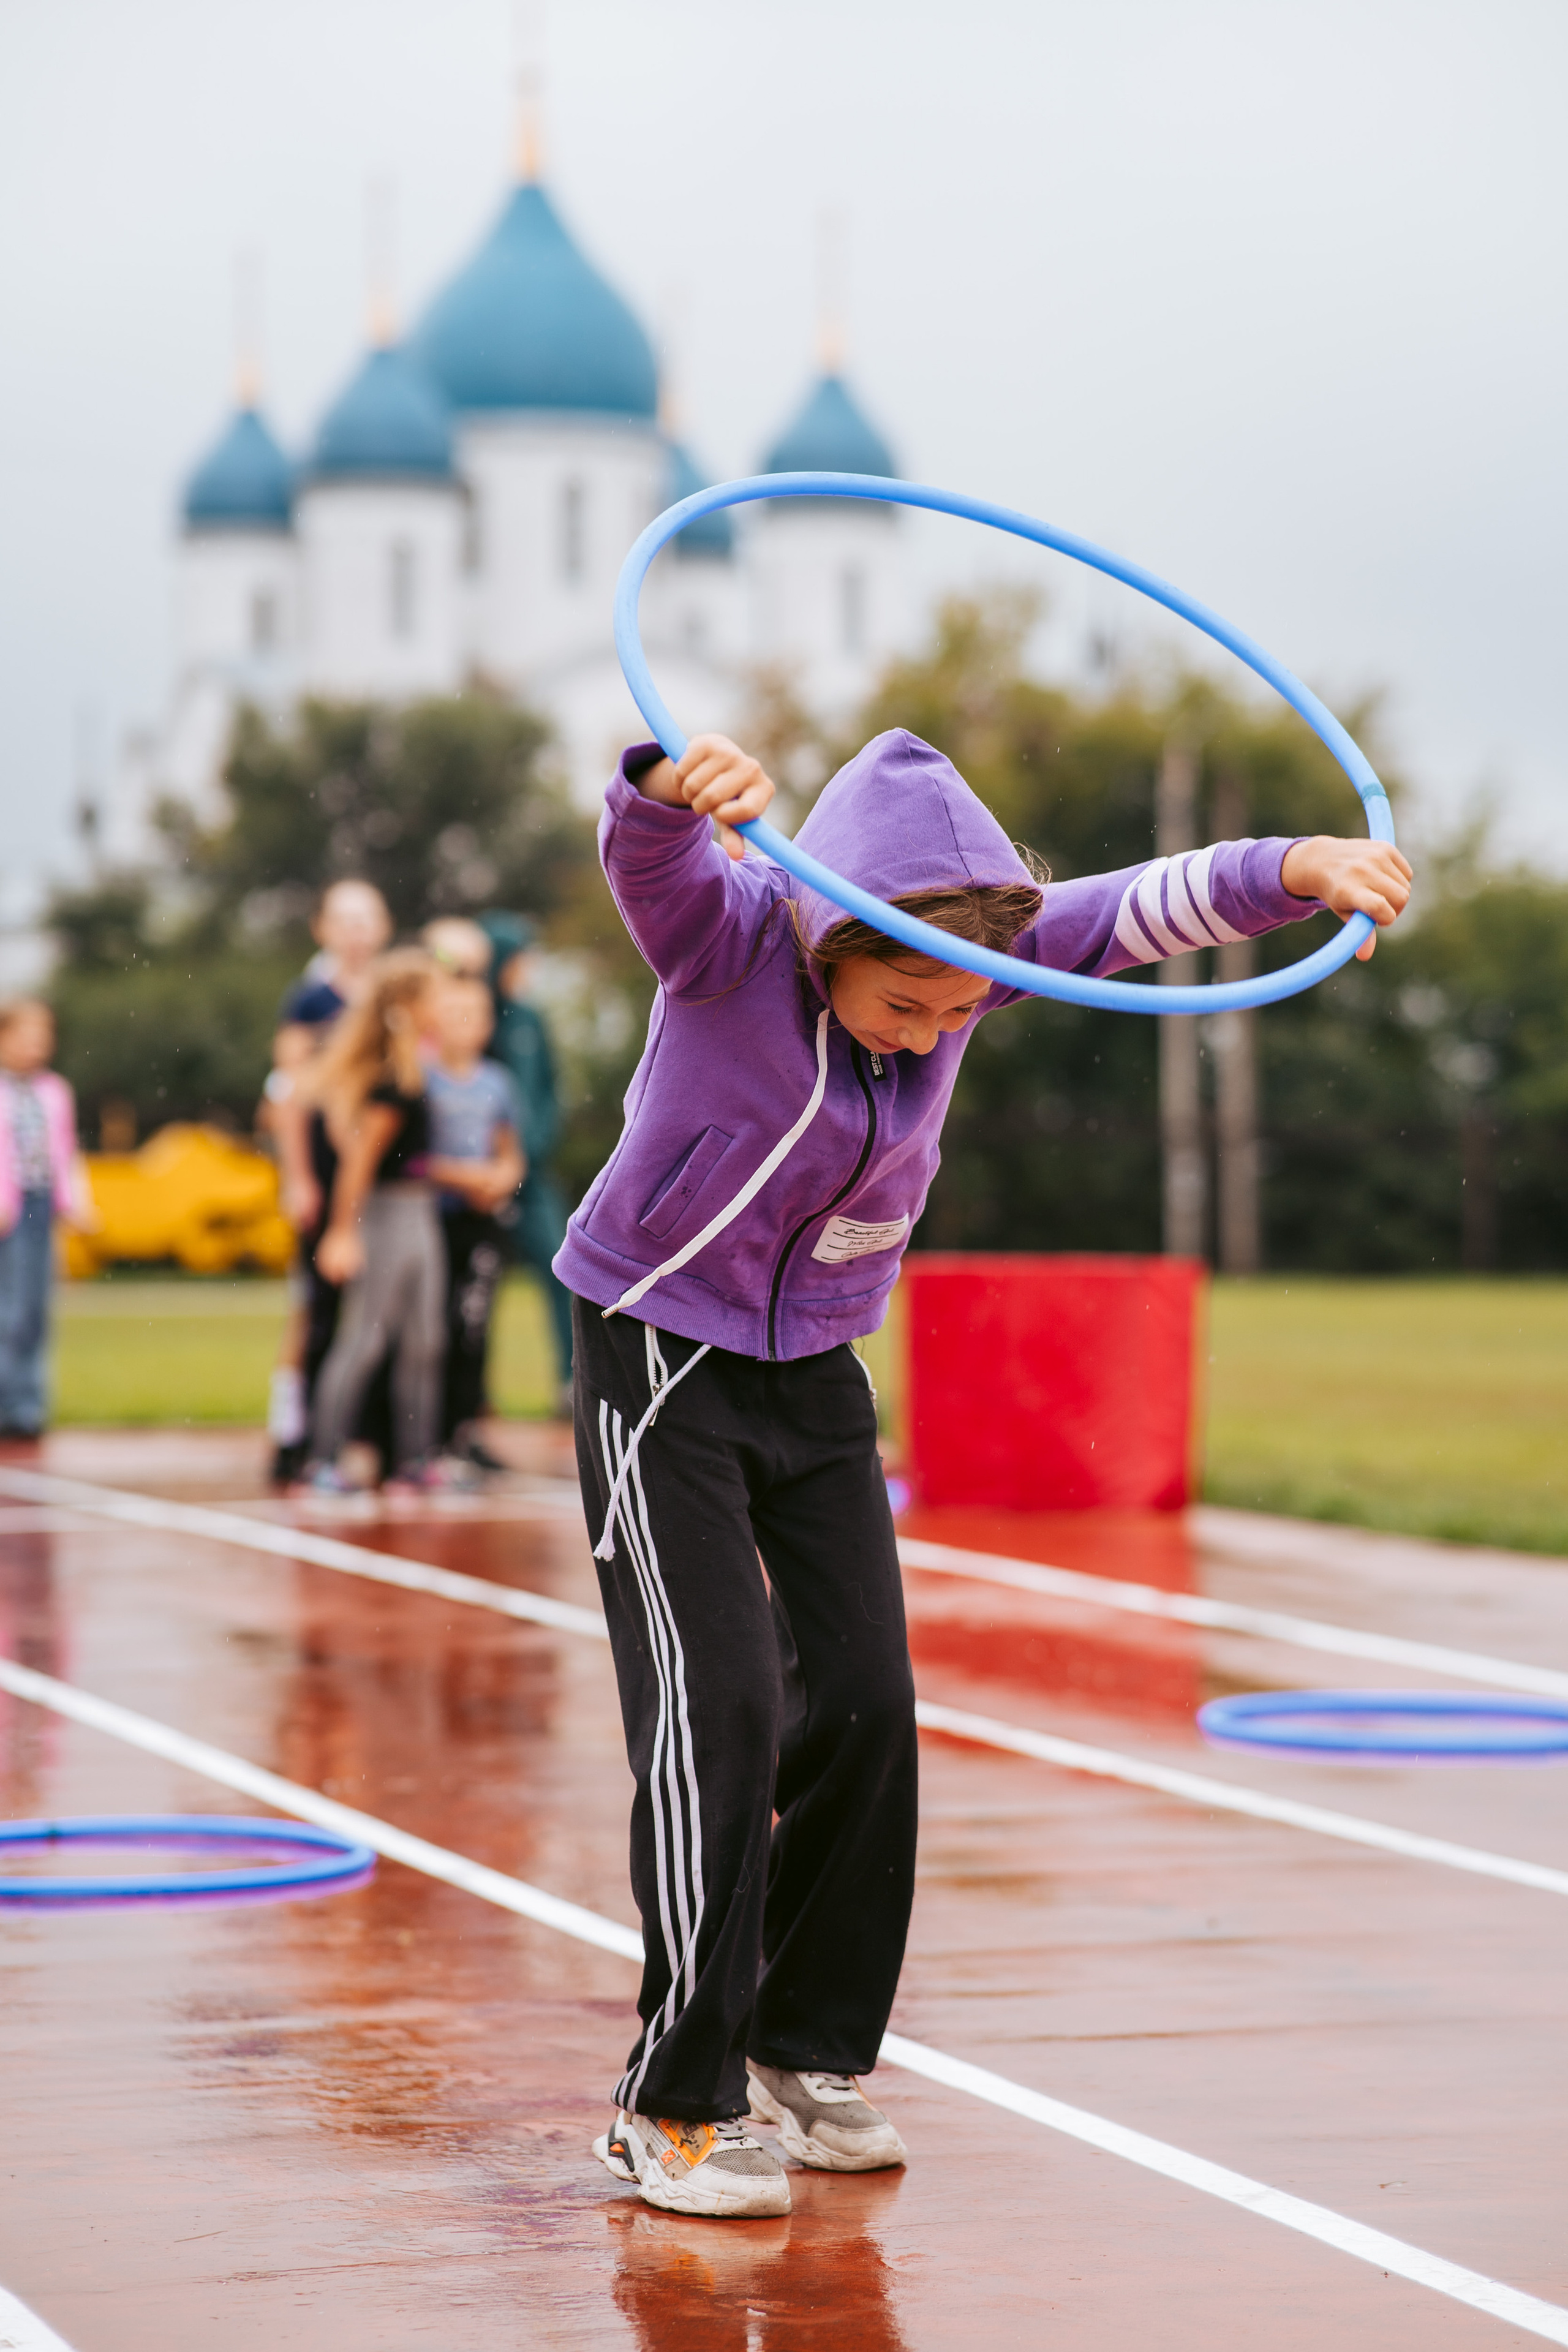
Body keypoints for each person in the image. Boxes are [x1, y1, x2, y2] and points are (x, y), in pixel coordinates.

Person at [554, 727, 1414, 2218]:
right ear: (836, 937)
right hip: (657, 1358)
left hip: (814, 1367)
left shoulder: (978, 962)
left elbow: (1153, 903)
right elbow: (651, 856)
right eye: (902, 1002)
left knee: (871, 1698)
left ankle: (802, 2047)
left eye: (958, 1013)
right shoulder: (731, 939)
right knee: (724, 1704)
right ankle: (667, 2100)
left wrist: (1298, 866)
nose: (925, 1031)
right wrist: (660, 786)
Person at [303, 949, 451, 1494]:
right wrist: (343, 1231)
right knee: (364, 1339)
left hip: (420, 1213)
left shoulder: (415, 1066)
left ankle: (417, 1461)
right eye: (435, 995)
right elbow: (359, 1164)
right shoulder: (392, 1078)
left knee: (425, 1340)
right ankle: (323, 1459)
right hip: (387, 1216)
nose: (445, 1004)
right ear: (409, 1004)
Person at [263, 878, 393, 1484]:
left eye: (366, 917)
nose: (356, 930)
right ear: (322, 929)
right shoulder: (310, 1001)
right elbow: (289, 1094)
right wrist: (299, 1178)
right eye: (343, 919)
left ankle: (368, 1433)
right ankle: (297, 1435)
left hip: (382, 1172)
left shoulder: (392, 995)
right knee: (317, 1309)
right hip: (325, 1166)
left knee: (380, 1310)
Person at [422, 968, 526, 1465]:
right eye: (457, 1014)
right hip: (434, 1222)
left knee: (475, 1325)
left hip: (481, 1222)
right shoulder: (422, 1078)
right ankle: (427, 1430)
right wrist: (466, 1177)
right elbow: (412, 1160)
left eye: (478, 1015)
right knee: (433, 1326)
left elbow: (510, 1152)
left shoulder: (496, 1082)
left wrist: (500, 1178)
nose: (469, 1025)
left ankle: (466, 1429)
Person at [477, 913, 574, 1413]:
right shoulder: (478, 1016)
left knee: (562, 1269)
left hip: (534, 1176)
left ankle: (569, 1382)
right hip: (482, 1178)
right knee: (479, 1286)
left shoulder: (532, 1018)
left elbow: (552, 1088)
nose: (528, 968)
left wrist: (535, 1144)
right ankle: (475, 1391)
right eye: (521, 958)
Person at [0, 1000, 93, 1443]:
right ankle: (8, 1401)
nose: (35, 1047)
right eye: (25, 1036)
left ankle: (28, 1405)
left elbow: (65, 1150)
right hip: (7, 1211)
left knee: (36, 1310)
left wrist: (77, 1203)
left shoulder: (55, 1091)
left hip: (41, 1208)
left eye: (43, 1037)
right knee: (8, 1311)